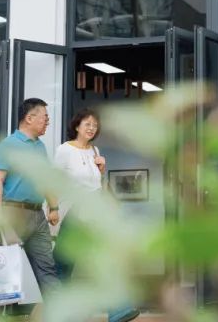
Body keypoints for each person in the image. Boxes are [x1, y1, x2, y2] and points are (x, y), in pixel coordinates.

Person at [53, 108, 141, 322]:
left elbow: (98, 185)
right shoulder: (65, 150)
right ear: (77, 126)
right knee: (63, 265)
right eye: (87, 124)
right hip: (75, 211)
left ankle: (118, 309)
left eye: (95, 125)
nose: (92, 128)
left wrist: (102, 171)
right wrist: (53, 208)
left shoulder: (95, 150)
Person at [0, 98, 60, 308]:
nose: (48, 121)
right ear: (29, 118)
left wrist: (54, 207)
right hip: (14, 213)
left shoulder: (40, 147)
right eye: (45, 117)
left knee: (47, 268)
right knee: (6, 274)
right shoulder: (8, 145)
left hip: (38, 215)